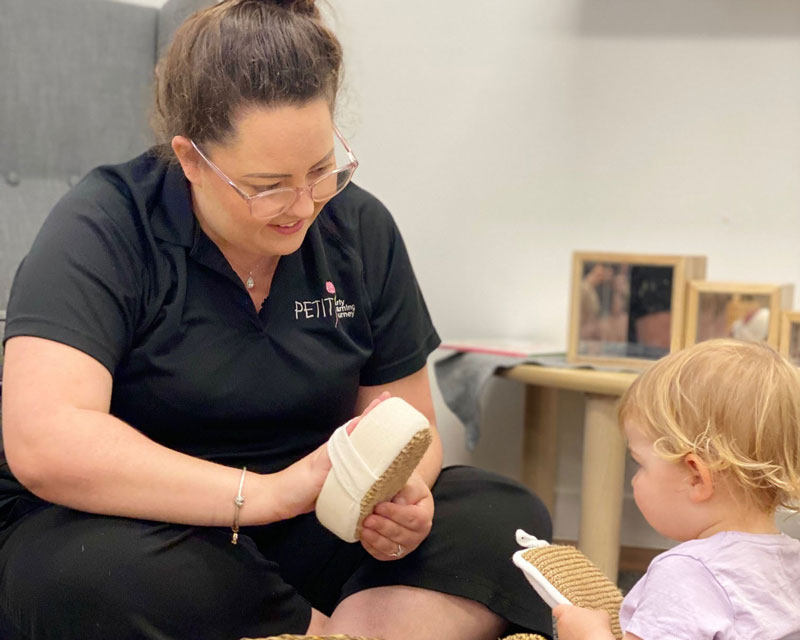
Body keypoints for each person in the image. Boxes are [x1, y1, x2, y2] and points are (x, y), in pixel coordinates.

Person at [0, 1, 552, 639]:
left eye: (321, 170)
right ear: (191, 159)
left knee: (502, 516)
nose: (302, 205)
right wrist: (261, 495)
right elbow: (47, 442)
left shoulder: (357, 226)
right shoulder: (106, 225)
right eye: (267, 185)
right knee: (97, 577)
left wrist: (398, 499)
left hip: (312, 520)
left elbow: (409, 420)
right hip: (133, 526)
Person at [553, 339, 800, 640]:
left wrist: (588, 635)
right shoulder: (792, 560)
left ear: (696, 477)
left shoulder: (685, 574)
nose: (634, 481)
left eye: (640, 464)